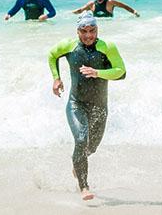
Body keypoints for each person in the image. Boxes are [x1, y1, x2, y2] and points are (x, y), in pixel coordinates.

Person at [47, 11, 126, 200]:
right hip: (76, 104)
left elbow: (121, 72)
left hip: (100, 107)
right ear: (78, 31)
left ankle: (77, 162)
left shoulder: (107, 47)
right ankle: (84, 186)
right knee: (81, 139)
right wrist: (56, 79)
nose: (89, 35)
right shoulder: (69, 46)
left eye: (93, 30)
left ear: (97, 29)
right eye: (84, 31)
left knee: (91, 147)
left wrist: (98, 73)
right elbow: (51, 54)